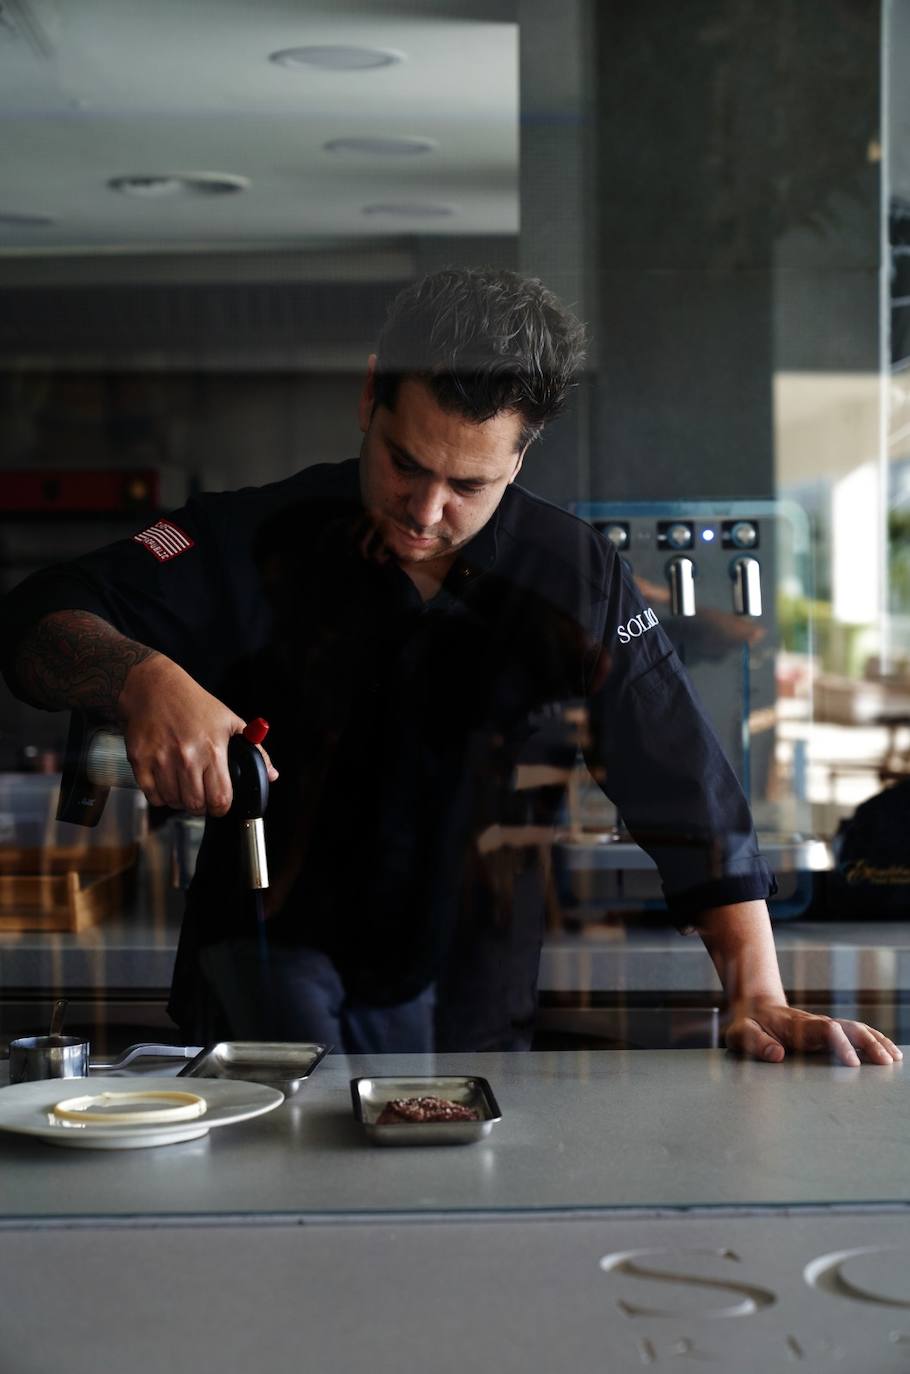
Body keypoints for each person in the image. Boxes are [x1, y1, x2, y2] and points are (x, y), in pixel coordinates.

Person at [0, 267, 900, 1067]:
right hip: (254, 1024)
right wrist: (143, 677)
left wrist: (755, 990)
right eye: (405, 463)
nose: (426, 510)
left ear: (521, 453)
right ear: (370, 398)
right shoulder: (246, 538)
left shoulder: (573, 571)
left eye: (468, 486)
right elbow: (40, 619)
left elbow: (680, 781)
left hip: (469, 1033)